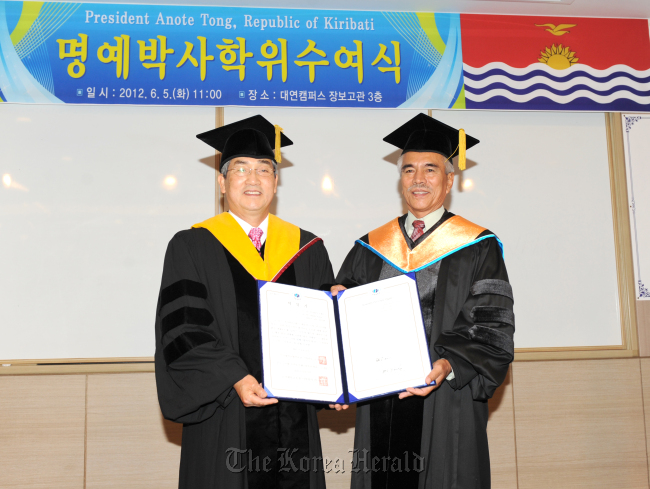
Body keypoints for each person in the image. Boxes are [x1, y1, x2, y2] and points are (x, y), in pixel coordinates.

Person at [332, 113, 515, 489]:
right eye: (409, 170)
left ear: (449, 180)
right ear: (400, 180)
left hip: (446, 402)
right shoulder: (370, 246)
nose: (418, 180)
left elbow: (492, 327)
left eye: (431, 170)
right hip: (378, 401)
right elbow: (343, 319)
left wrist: (449, 363)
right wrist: (334, 306)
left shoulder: (478, 247)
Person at [154, 115, 334, 489]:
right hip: (227, 418)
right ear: (222, 182)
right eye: (241, 169)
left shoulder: (307, 248)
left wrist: (340, 375)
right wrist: (235, 376)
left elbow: (326, 330)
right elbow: (184, 331)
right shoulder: (192, 246)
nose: (253, 179)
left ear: (276, 182)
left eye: (264, 170)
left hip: (294, 418)